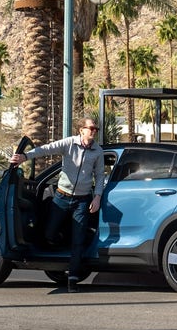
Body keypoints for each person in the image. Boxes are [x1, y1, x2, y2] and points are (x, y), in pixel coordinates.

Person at [9, 117, 105, 293]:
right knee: (49, 232)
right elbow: (46, 149)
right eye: (90, 128)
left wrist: (97, 197)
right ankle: (58, 241)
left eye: (95, 129)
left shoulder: (97, 151)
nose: (93, 131)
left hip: (82, 201)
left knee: (78, 241)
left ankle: (73, 279)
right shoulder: (69, 144)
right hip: (61, 196)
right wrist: (25, 156)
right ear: (81, 130)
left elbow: (99, 176)